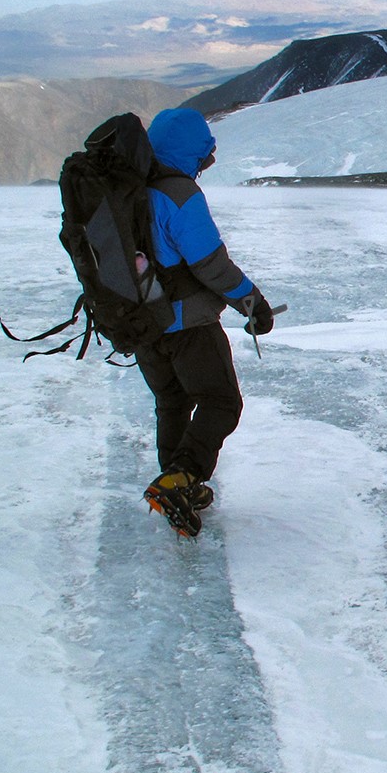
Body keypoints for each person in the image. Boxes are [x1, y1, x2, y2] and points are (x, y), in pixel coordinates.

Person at [137, 108, 274, 536]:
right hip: (187, 327)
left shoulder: (130, 190)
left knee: (172, 402)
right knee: (221, 403)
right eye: (202, 156)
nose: (203, 165)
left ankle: (176, 482)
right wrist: (252, 303)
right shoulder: (178, 194)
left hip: (142, 326)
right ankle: (179, 479)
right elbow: (209, 264)